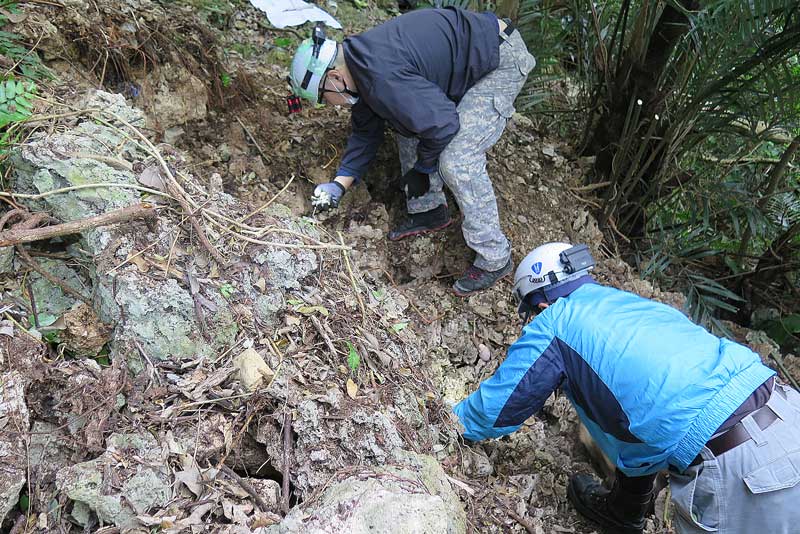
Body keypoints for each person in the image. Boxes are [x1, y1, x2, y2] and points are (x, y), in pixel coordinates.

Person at [453, 241, 800, 534]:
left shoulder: (556, 324)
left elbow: (498, 408)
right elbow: (654, 414)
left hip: (743, 469)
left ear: (540, 304)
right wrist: (626, 504)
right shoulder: (633, 308)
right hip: (785, 410)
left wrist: (445, 422)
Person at [289, 8, 536, 296]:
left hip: (499, 58)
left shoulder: (383, 78)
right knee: (406, 123)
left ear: (334, 77)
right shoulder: (361, 67)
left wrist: (424, 168)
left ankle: (495, 257)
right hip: (468, 58)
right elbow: (365, 133)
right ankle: (429, 210)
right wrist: (338, 185)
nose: (330, 104)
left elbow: (444, 124)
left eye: (323, 96)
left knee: (457, 160)